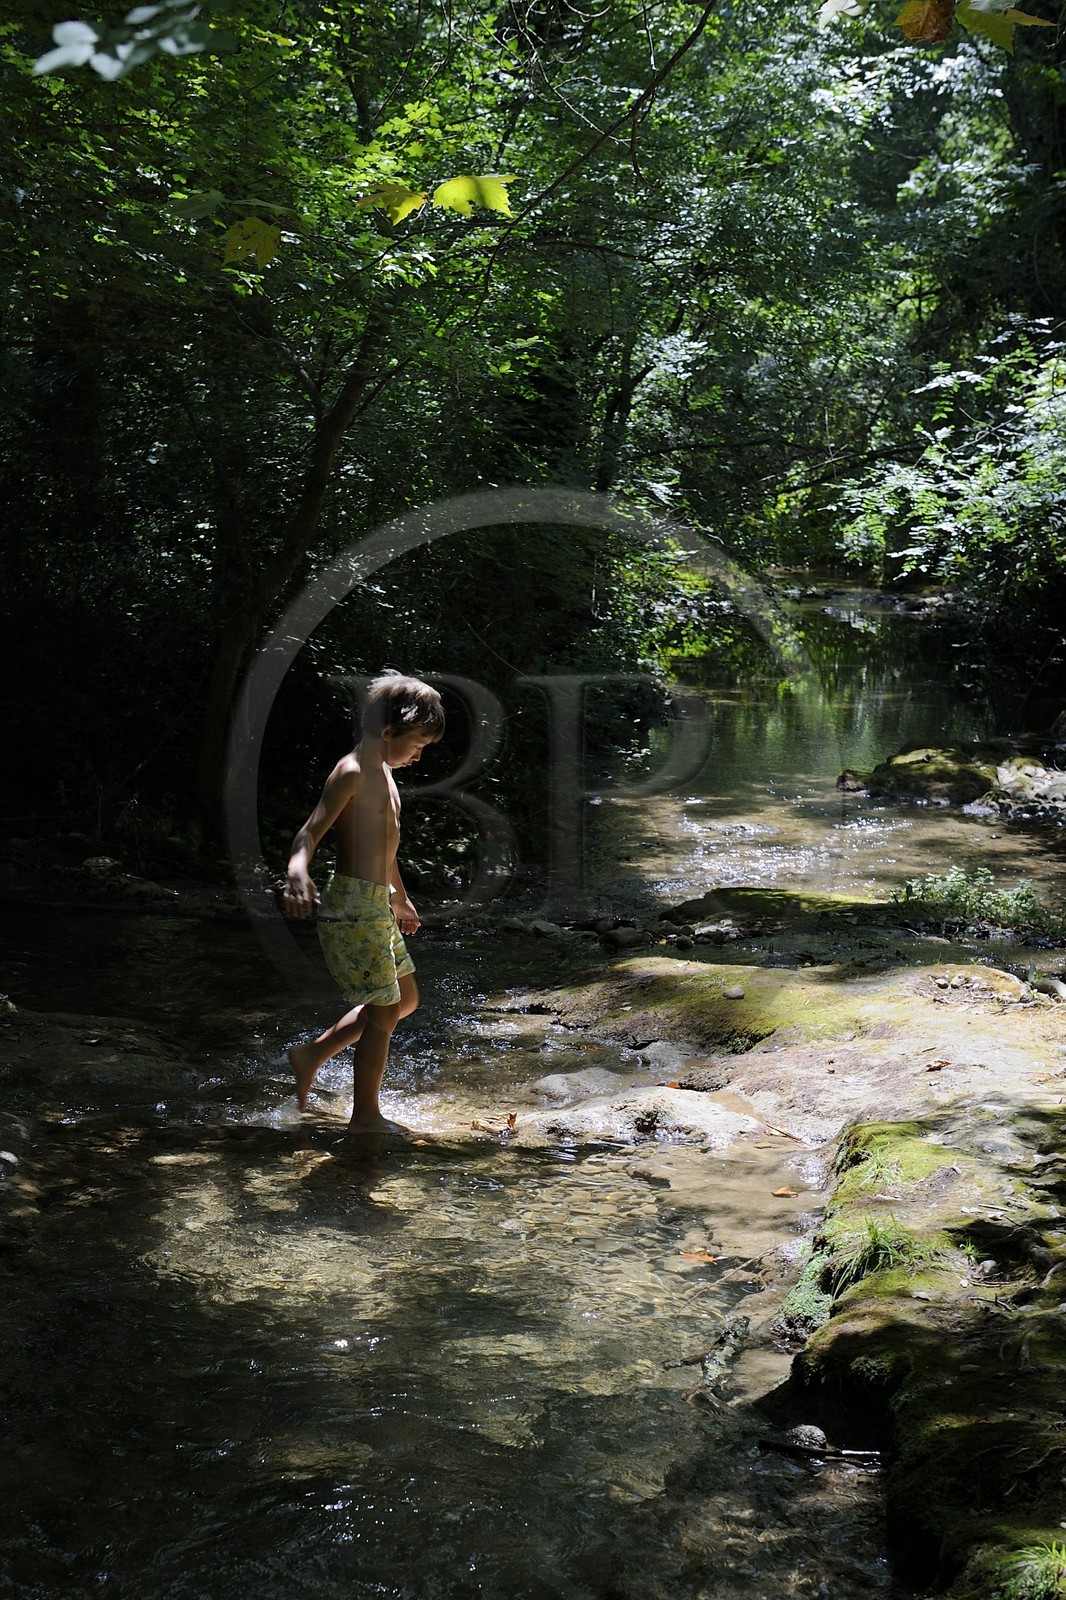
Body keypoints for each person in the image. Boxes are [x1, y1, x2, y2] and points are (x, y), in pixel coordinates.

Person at [282, 671, 445, 1132]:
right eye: (417, 745)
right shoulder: (352, 771)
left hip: (378, 903)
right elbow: (310, 831)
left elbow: (387, 851)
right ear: (389, 731)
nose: (419, 755)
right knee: (384, 1012)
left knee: (405, 999)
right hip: (353, 904)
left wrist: (402, 899)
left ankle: (311, 1054)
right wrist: (298, 872)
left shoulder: (388, 776)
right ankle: (365, 1116)